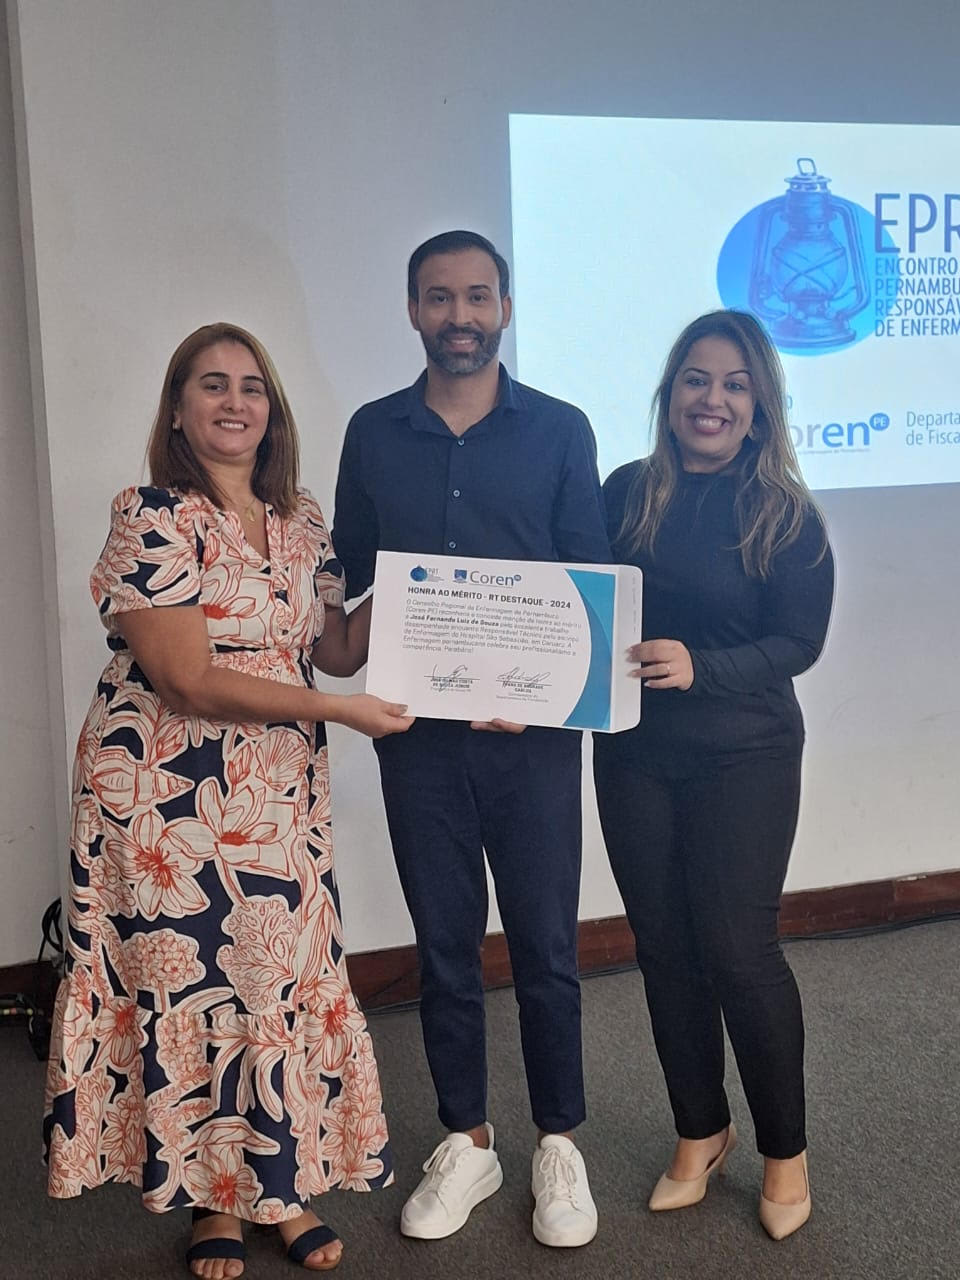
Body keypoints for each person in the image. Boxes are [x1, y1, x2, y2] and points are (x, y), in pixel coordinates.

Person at [42, 322, 414, 1279]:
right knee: (198, 982)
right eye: (212, 385)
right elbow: (188, 678)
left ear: (272, 410)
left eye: (252, 386)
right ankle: (212, 1199)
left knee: (275, 981)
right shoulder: (151, 515)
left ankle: (279, 1189)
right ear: (179, 409)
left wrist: (430, 581)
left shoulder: (302, 520)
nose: (235, 402)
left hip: (278, 790)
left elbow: (334, 647)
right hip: (168, 796)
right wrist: (340, 712)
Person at [331, 231, 610, 1248]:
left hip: (532, 742)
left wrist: (540, 694)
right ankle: (468, 1137)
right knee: (445, 946)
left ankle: (558, 1141)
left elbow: (590, 586)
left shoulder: (561, 430)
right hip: (417, 738)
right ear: (413, 309)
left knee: (545, 947)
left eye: (478, 296)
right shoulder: (374, 431)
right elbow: (349, 574)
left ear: (506, 308)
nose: (461, 315)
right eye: (440, 297)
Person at [593, 309, 834, 1241]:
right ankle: (701, 1129)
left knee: (739, 951)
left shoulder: (786, 514)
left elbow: (800, 642)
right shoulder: (626, 492)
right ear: (671, 392)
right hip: (635, 754)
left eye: (737, 385)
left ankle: (785, 1151)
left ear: (761, 406)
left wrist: (705, 666)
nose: (714, 399)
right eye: (697, 379)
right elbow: (578, 602)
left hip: (747, 752)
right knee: (664, 947)